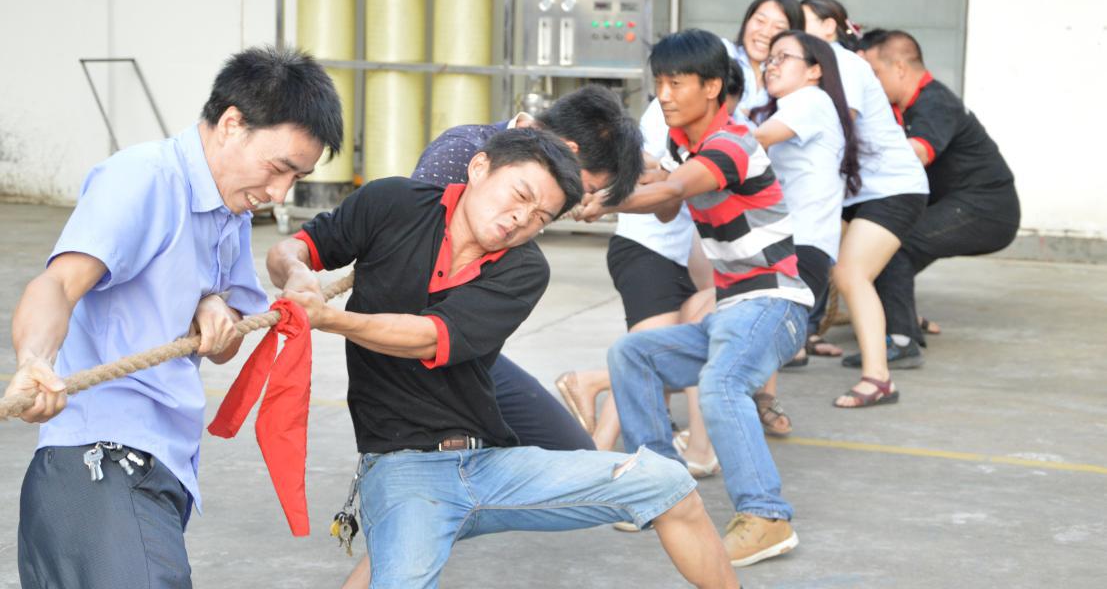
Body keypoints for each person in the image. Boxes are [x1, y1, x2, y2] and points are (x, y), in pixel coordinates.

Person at [268, 128, 740, 589]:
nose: (521, 219)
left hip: (492, 467)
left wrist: (330, 319)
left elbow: (429, 338)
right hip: (404, 471)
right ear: (479, 168)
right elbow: (291, 249)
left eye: (540, 216)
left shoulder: (525, 267)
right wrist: (295, 272)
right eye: (519, 195)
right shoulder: (391, 202)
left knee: (668, 483)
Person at [6, 46, 343, 588]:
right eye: (279, 168)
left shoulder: (231, 212)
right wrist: (34, 361)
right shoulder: (144, 178)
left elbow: (225, 346)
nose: (279, 193)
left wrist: (212, 306)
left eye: (296, 178)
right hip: (101, 465)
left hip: (155, 469)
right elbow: (58, 284)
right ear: (231, 124)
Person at [584, 29, 813, 568]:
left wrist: (605, 202)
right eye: (658, 83)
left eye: (676, 83)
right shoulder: (680, 144)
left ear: (712, 87)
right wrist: (617, 177)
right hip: (730, 311)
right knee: (632, 354)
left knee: (721, 384)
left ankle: (766, 516)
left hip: (774, 303)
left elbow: (669, 192)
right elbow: (667, 202)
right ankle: (663, 492)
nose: (663, 95)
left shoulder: (735, 142)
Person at [407, 83, 642, 454]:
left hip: (469, 349)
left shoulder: (540, 196)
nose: (580, 201)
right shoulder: (462, 153)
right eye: (587, 188)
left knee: (573, 452)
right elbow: (410, 261)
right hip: (418, 345)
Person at [557, 61, 745, 469]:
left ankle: (598, 426)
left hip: (669, 255)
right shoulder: (668, 117)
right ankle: (597, 435)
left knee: (657, 355)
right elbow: (651, 175)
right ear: (712, 91)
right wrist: (609, 199)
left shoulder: (713, 130)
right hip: (646, 251)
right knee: (644, 358)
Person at [801, 0, 932, 407]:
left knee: (851, 274)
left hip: (892, 187)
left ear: (829, 27)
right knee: (826, 264)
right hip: (860, 191)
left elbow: (840, 129)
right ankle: (803, 340)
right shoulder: (814, 68)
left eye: (801, 21)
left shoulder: (844, 64)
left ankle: (879, 379)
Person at [862, 30, 1020, 361]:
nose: (871, 83)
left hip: (986, 209)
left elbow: (917, 153)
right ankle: (898, 322)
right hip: (961, 204)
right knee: (882, 252)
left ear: (900, 68)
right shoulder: (903, 107)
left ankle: (902, 341)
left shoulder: (935, 102)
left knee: (896, 246)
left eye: (875, 72)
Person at [751, 30, 861, 327]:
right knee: (774, 340)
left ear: (814, 70)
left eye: (783, 57)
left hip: (799, 244)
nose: (771, 66)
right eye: (770, 59)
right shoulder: (798, 107)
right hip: (800, 244)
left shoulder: (810, 100)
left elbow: (756, 140)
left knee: (765, 336)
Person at [723, 0, 805, 117]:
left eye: (779, 28)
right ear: (747, 20)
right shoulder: (723, 53)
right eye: (760, 21)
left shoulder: (792, 79)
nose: (765, 33)